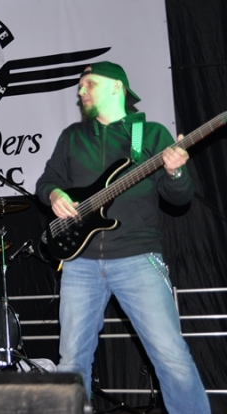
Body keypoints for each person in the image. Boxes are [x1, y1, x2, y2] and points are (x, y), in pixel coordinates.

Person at [35, 61, 209, 413]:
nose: (81, 91)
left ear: (117, 87)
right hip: (80, 264)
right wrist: (55, 195)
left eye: (89, 84)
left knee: (170, 356)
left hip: (137, 256)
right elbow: (47, 180)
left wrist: (175, 173)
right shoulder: (72, 136)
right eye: (80, 86)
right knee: (71, 362)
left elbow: (180, 199)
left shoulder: (151, 134)